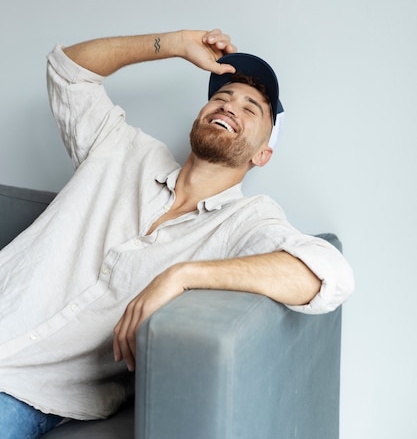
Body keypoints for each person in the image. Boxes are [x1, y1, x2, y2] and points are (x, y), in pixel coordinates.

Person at [0, 28, 354, 438]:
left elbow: (329, 275)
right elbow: (68, 71)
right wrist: (173, 44)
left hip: (24, 391)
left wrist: (182, 275)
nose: (229, 106)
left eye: (251, 108)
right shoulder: (123, 149)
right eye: (221, 98)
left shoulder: (245, 221)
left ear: (263, 153)